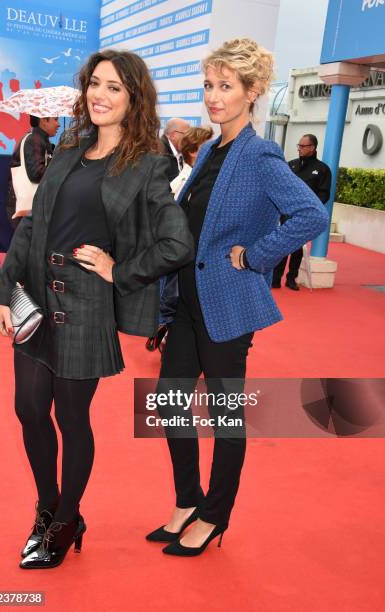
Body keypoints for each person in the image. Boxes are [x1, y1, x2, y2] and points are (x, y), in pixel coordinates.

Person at [0, 49, 193, 569]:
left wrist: (116, 270)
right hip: (33, 292)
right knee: (29, 410)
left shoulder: (147, 165)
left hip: (84, 306)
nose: (99, 95)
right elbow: (32, 225)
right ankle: (49, 506)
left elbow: (177, 243)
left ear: (133, 98)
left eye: (114, 88)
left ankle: (67, 516)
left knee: (71, 418)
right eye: (94, 84)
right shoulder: (69, 149)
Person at [145, 38, 329, 556]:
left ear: (252, 93)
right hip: (185, 301)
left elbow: (311, 214)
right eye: (209, 85)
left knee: (226, 415)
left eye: (226, 86)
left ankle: (215, 515)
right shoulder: (207, 150)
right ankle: (187, 501)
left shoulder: (260, 153)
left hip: (226, 305)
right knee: (171, 402)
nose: (214, 96)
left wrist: (256, 255)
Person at [146, 125, 214, 352]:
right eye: (208, 146)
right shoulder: (183, 183)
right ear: (194, 151)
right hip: (182, 258)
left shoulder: (193, 180)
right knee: (175, 305)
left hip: (186, 258)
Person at [272, 133, 332, 290]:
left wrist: (310, 209)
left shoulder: (322, 169)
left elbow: (324, 193)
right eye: (299, 146)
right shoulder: (290, 165)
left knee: (297, 248)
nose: (299, 149)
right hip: (286, 213)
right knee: (281, 245)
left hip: (305, 216)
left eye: (303, 146)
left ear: (312, 148)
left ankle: (291, 278)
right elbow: (281, 186)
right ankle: (275, 278)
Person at [7, 115, 60, 229]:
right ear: (43, 121)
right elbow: (36, 174)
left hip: (32, 206)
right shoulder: (33, 140)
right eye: (55, 119)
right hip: (27, 207)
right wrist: (58, 166)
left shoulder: (40, 140)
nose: (58, 124)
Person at [170, 126, 214, 198]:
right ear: (192, 151)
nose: (213, 150)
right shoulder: (181, 184)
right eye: (208, 147)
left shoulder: (203, 178)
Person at [160, 117, 190, 182]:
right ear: (173, 135)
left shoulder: (182, 152)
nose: (189, 139)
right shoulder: (160, 154)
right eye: (187, 134)